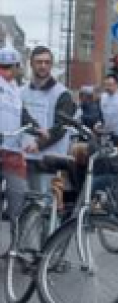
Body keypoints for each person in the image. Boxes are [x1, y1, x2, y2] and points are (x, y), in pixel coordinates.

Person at [21, 46, 76, 195]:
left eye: (47, 62)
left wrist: (39, 143)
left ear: (51, 65)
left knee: (44, 206)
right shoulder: (22, 91)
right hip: (24, 158)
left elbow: (62, 126)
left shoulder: (63, 94)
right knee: (22, 208)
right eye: (39, 62)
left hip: (49, 160)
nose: (43, 66)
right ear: (31, 64)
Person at [1, 47, 32, 226]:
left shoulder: (16, 90)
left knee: (18, 193)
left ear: (17, 67)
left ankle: (15, 243)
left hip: (12, 149)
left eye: (9, 67)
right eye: (2, 67)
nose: (5, 71)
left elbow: (22, 114)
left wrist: (37, 129)